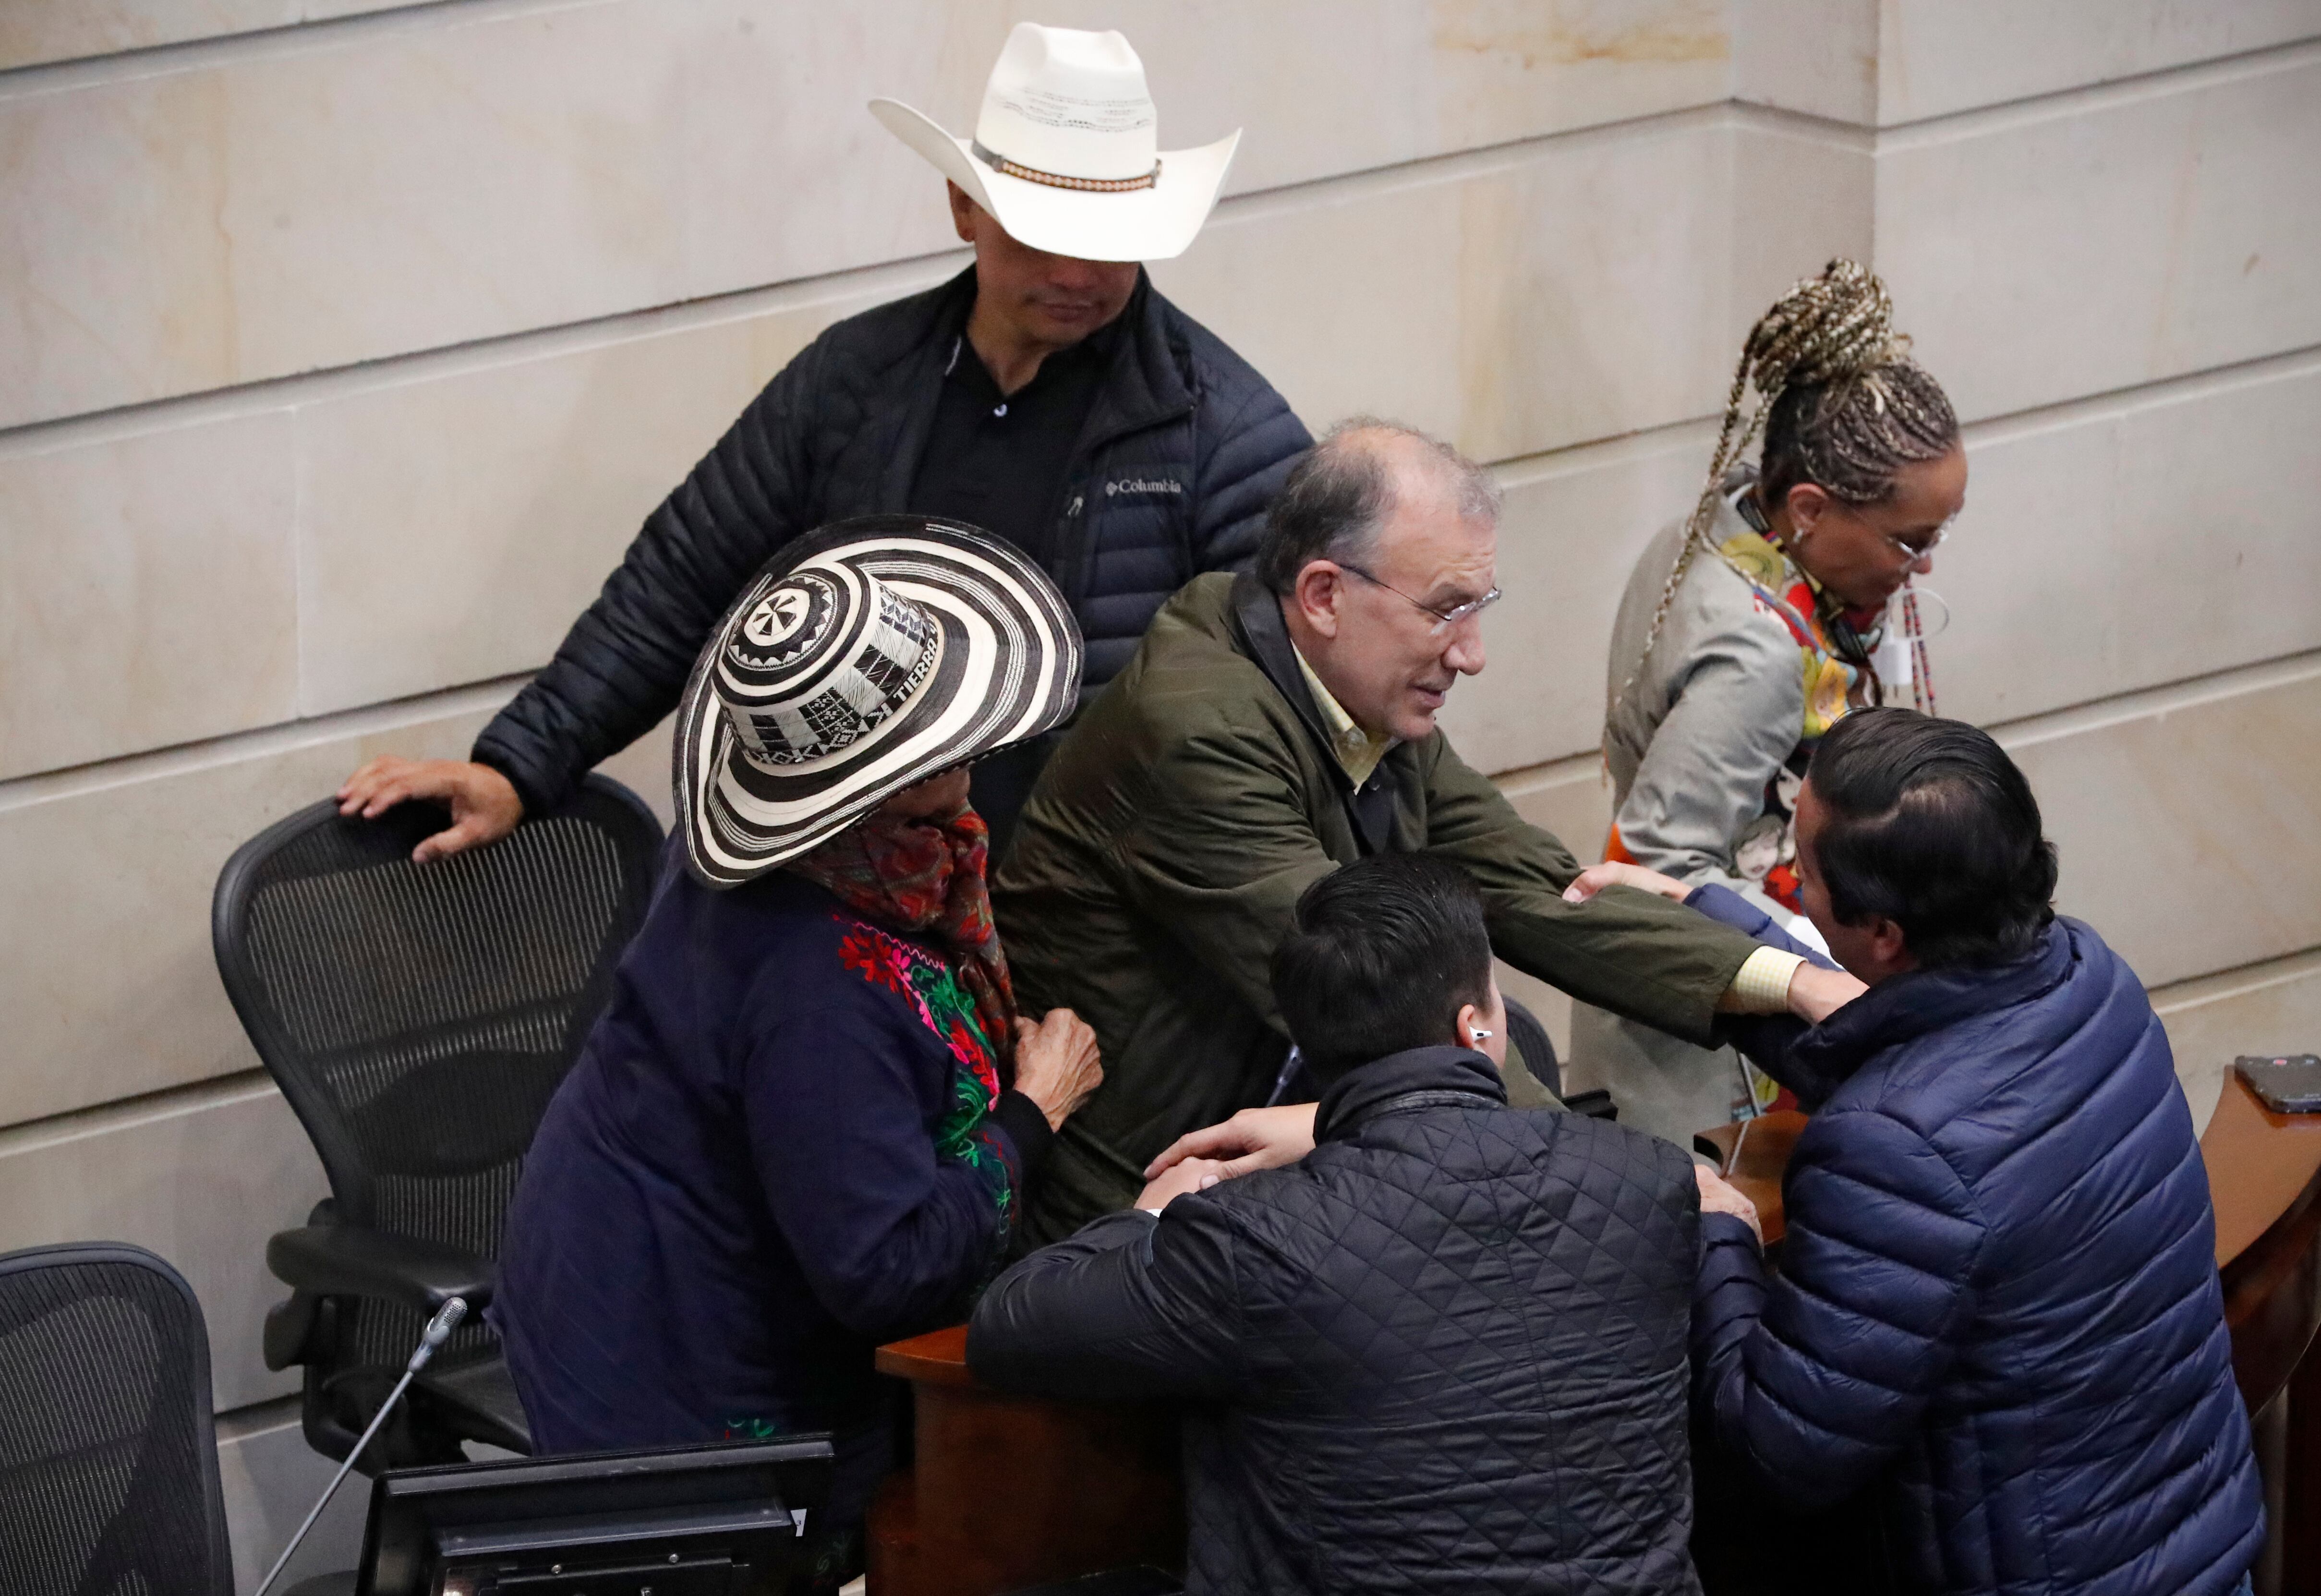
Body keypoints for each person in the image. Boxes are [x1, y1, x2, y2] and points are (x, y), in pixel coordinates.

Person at [337, 23, 1309, 859]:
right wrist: (517, 764)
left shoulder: (1221, 430)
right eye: (1038, 232)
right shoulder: (856, 377)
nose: (1074, 271)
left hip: (1076, 932)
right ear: (962, 208)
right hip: (839, 891)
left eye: (1106, 238)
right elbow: (685, 578)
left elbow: (1290, 719)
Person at [995, 419, 1861, 1246]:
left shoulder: (1343, 682)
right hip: (1137, 1209)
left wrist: (1796, 984)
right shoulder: (1198, 733)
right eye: (1445, 609)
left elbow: (1539, 891)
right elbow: (1381, 1003)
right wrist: (1636, 1178)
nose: (1472, 653)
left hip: (1274, 1159)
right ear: (1325, 595)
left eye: (1479, 605)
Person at [491, 520, 1103, 1592]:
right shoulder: (820, 989)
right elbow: (884, 1269)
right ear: (871, 790)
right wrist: (1031, 1113)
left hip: (638, 1247)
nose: (969, 754)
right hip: (673, 1358)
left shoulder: (836, 864)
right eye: (939, 743)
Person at [1577, 708, 2263, 1596]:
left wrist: (1721, 1230)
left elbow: (1782, 1448)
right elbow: (1904, 1050)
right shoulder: (2089, 979)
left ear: (1885, 934)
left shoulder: (1892, 1149)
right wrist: (1706, 918)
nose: (1790, 886)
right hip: (2183, 1546)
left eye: (1804, 873)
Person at [970, 853, 1706, 1596]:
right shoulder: (1650, 1180)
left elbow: (1009, 1324)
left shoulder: (1249, 1236)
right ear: (1473, 1024)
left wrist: (1155, 1210)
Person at [1573, 258, 1969, 1144]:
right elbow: (1656, 866)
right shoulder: (1757, 653)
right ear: (1808, 508)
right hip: (1720, 1066)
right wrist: (1807, 974)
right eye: (1912, 542)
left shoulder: (1720, 528)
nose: (1926, 566)